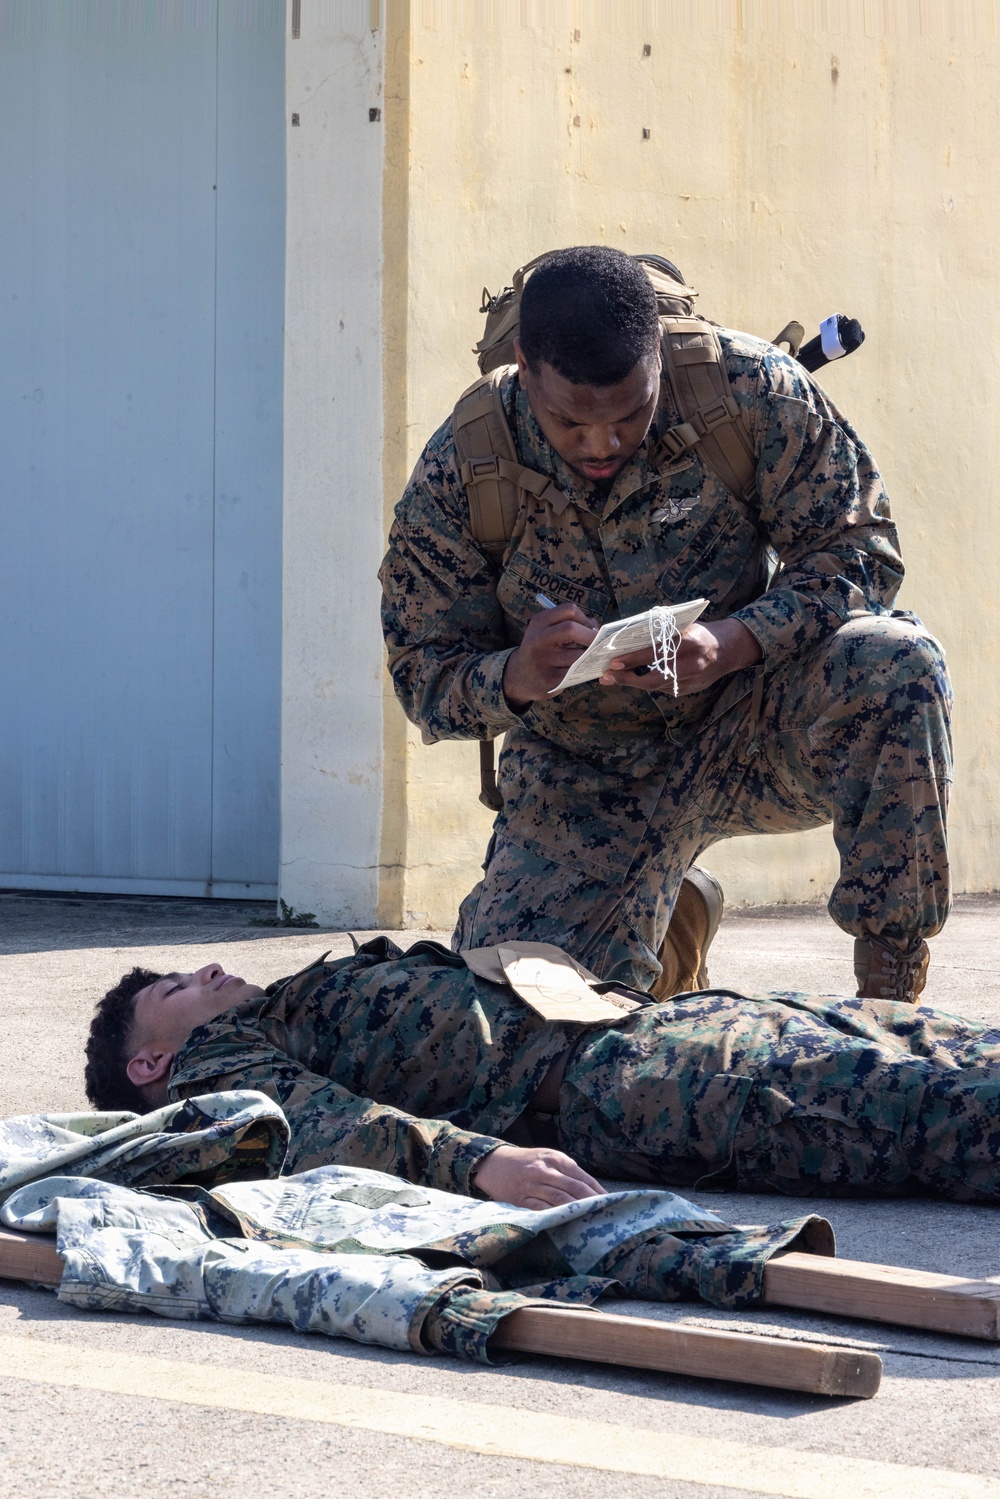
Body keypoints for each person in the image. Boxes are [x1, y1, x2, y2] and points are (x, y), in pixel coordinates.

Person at [379, 246, 953, 1004]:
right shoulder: (468, 460)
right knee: (514, 1022)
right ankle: (670, 912)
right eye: (569, 422)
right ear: (523, 364)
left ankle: (890, 998)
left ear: (660, 356)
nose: (602, 444)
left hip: (753, 724)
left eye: (630, 413)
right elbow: (422, 667)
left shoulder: (746, 390)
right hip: (583, 774)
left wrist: (733, 641)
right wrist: (512, 676)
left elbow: (861, 550)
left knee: (899, 663)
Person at [84, 944, 1000, 1210]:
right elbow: (328, 1122)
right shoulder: (215, 1069)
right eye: (174, 985)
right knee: (939, 1111)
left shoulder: (281, 1004)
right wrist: (481, 1163)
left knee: (951, 1044)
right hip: (642, 1082)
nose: (203, 973)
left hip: (660, 1021)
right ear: (149, 1060)